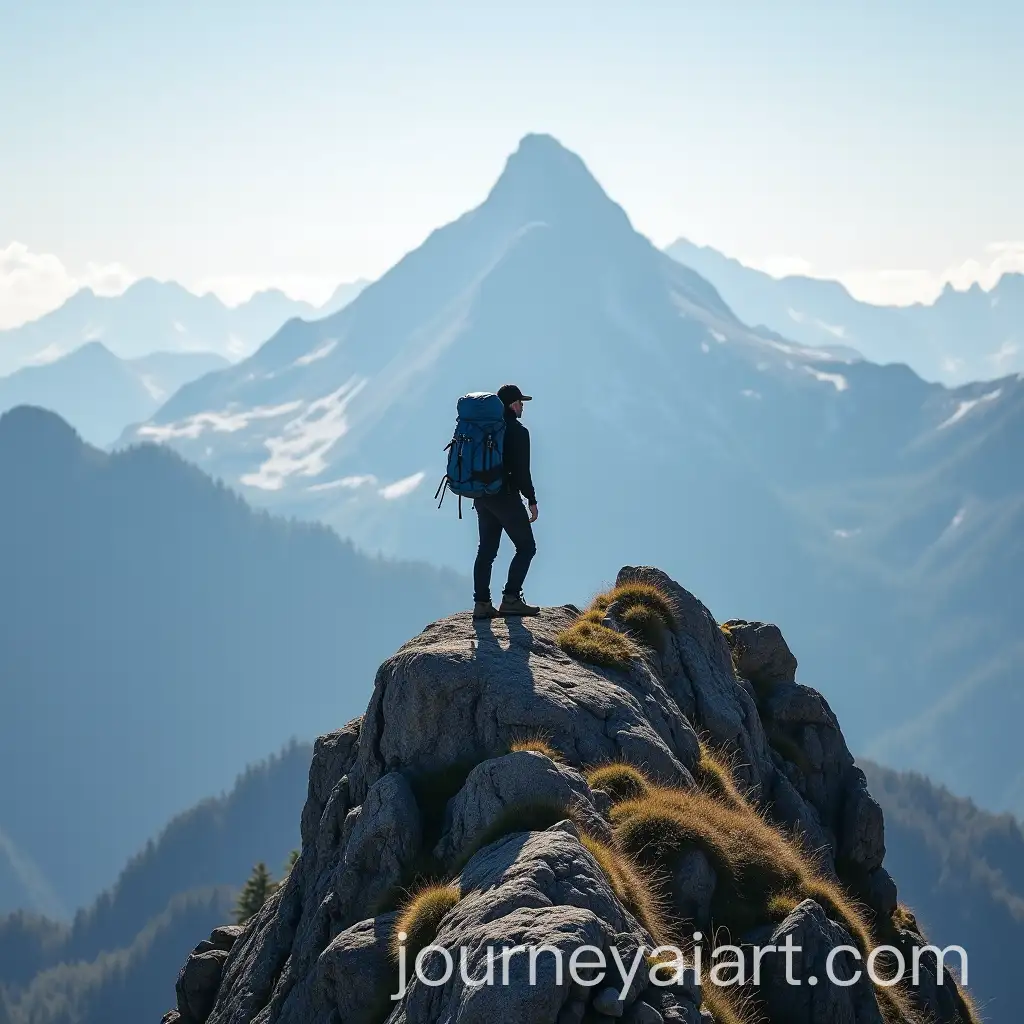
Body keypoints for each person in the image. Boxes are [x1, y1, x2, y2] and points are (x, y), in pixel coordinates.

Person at [473, 384, 540, 618]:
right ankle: (511, 598)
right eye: (521, 403)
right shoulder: (518, 431)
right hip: (505, 497)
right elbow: (522, 471)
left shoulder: (487, 429)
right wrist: (531, 499)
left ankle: (481, 604)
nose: (522, 407)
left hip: (482, 496)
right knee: (526, 547)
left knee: (486, 551)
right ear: (513, 405)